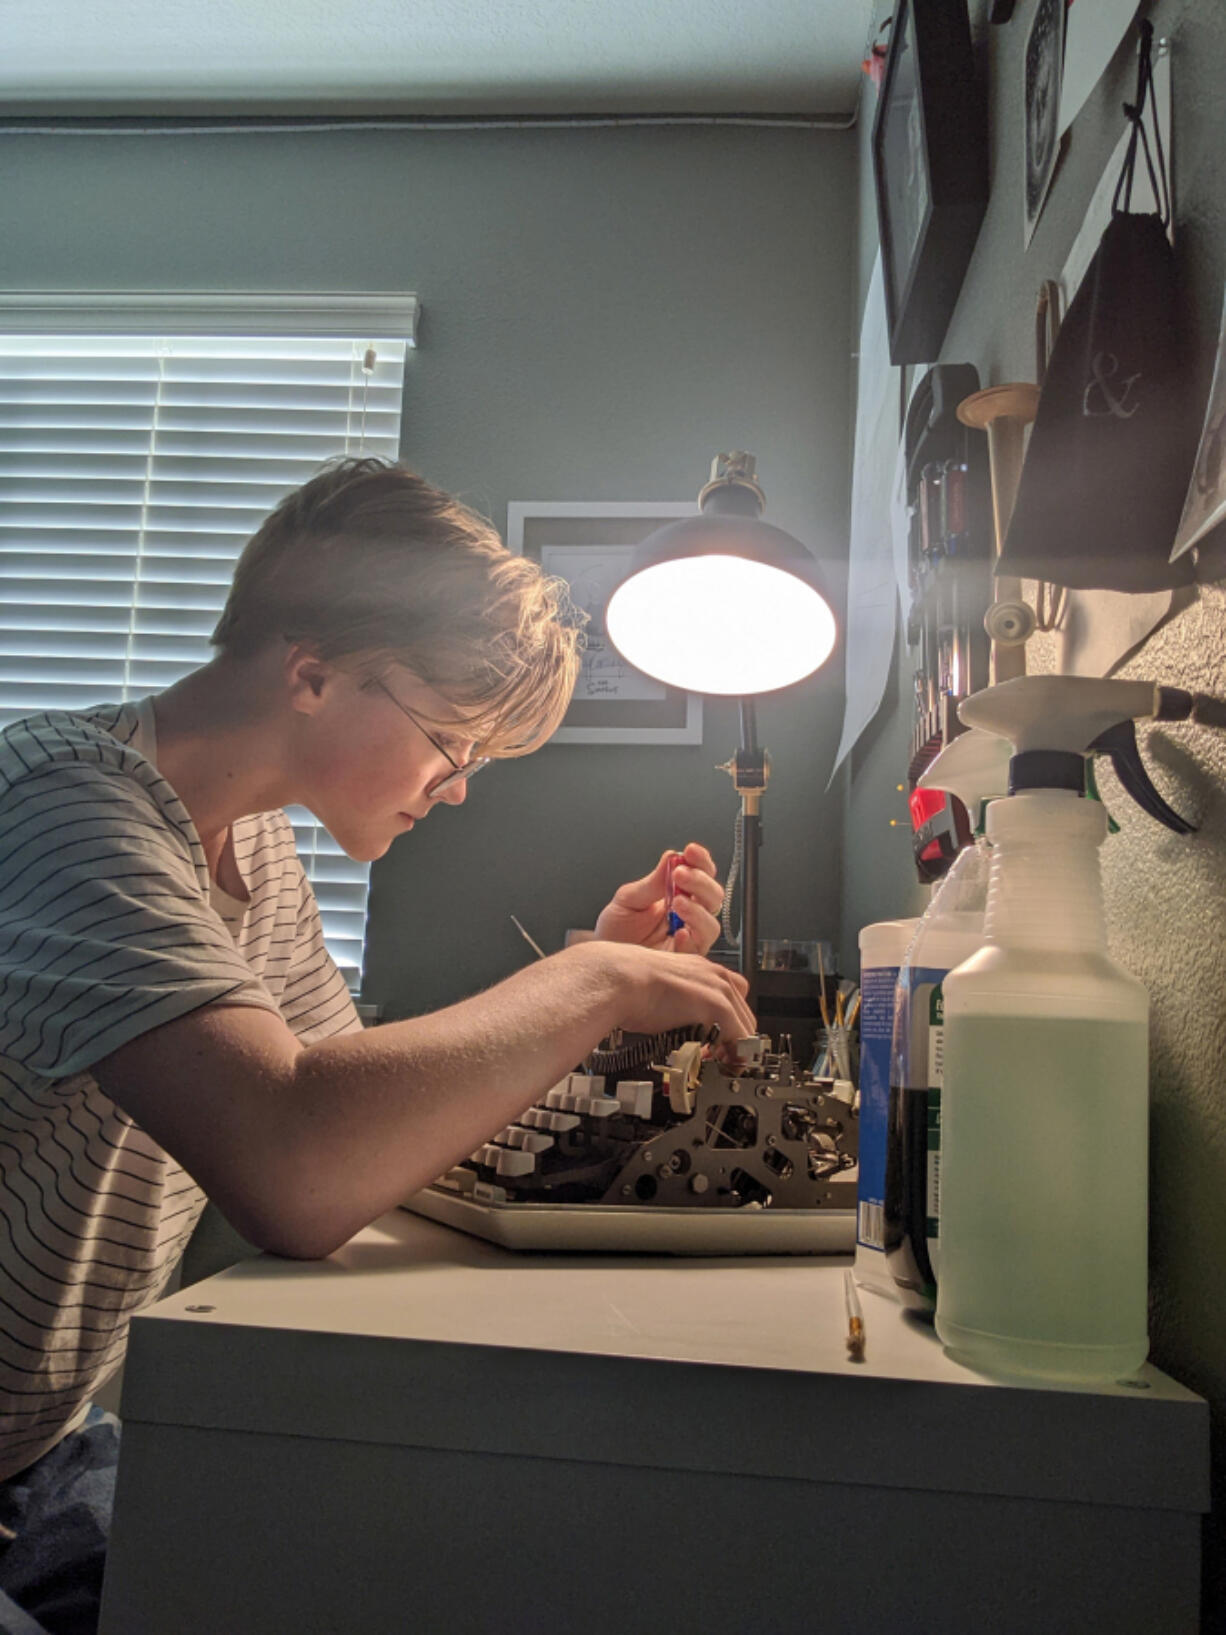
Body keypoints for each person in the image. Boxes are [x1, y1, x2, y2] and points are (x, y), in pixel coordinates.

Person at [0, 456, 753, 1633]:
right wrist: (587, 983)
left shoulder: (258, 863)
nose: (456, 788)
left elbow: (372, 1136)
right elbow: (295, 1169)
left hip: (44, 1447)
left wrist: (583, 974)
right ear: (313, 673)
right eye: (453, 742)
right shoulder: (61, 804)